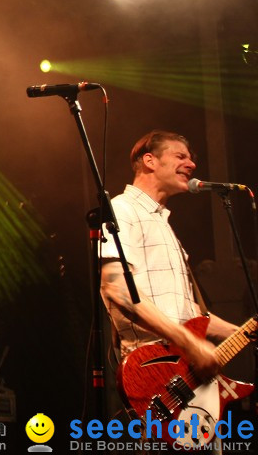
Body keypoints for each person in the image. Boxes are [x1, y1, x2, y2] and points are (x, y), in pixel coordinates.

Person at [99, 130, 239, 382]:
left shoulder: (162, 223)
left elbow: (186, 310)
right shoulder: (122, 210)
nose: (192, 164)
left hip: (180, 370)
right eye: (180, 156)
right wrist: (188, 342)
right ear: (150, 161)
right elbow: (116, 287)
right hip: (151, 368)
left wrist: (240, 332)